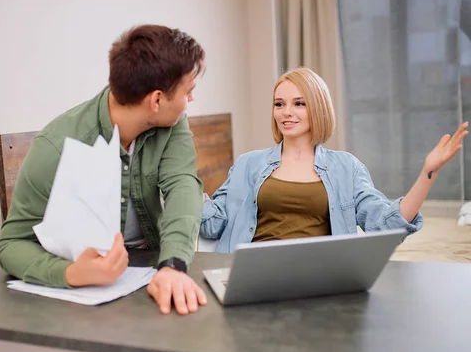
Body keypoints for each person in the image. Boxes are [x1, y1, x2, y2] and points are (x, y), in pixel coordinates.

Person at [0, 24, 208, 316]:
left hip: (152, 270)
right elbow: (11, 244)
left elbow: (183, 186)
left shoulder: (172, 123)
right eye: (189, 91)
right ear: (157, 100)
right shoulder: (56, 146)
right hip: (85, 296)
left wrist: (173, 265)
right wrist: (70, 273)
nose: (191, 100)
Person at [201, 67, 469, 252]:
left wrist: (427, 173)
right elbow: (212, 224)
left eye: (299, 103)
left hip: (319, 276)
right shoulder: (249, 164)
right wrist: (185, 184)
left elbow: (385, 225)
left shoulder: (346, 168)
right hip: (254, 274)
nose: (286, 113)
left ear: (317, 107)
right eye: (279, 104)